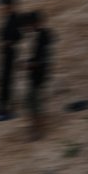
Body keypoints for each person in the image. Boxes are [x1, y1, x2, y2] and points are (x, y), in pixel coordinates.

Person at [24, 10, 55, 138]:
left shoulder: (43, 37)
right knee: (32, 101)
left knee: (35, 102)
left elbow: (43, 58)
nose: (29, 27)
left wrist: (31, 64)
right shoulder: (40, 35)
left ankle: (38, 130)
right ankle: (36, 128)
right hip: (37, 73)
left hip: (39, 74)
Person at [0, 0, 23, 119]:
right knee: (2, 79)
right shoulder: (6, 17)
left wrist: (7, 43)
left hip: (11, 53)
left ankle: (8, 109)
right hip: (5, 53)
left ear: (10, 5)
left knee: (8, 80)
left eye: (4, 4)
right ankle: (1, 106)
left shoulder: (16, 18)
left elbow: (19, 36)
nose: (1, 7)